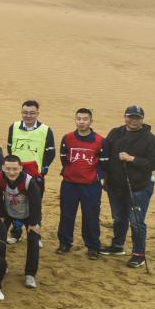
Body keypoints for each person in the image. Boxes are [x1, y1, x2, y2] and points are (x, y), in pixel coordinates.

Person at [102, 105, 155, 268]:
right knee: (118, 218)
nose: (133, 120)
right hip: (115, 186)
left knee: (136, 221)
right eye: (130, 117)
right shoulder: (115, 133)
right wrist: (104, 178)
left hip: (138, 187)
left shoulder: (151, 139)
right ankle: (117, 246)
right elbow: (105, 154)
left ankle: (138, 254)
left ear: (142, 119)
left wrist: (132, 159)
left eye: (137, 117)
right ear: (125, 117)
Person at [58, 108, 109, 258]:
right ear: (75, 120)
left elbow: (104, 163)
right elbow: (63, 158)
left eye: (85, 119)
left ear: (91, 121)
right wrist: (71, 172)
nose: (81, 122)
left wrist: (95, 176)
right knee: (66, 215)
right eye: (79, 119)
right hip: (69, 184)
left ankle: (93, 246)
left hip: (91, 186)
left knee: (91, 216)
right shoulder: (67, 138)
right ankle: (65, 243)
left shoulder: (100, 141)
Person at [0, 155, 43, 288]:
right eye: (8, 169)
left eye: (15, 169)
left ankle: (30, 274)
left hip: (28, 215)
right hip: (7, 213)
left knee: (34, 241)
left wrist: (34, 223)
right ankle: (2, 265)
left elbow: (36, 203)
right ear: (3, 167)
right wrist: (0, 214)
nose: (11, 172)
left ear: (20, 168)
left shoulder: (28, 181)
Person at [7, 100, 56, 180]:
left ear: (37, 113)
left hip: (35, 174)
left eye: (32, 113)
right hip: (15, 172)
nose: (28, 116)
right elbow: (10, 147)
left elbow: (51, 153)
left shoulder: (46, 130)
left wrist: (42, 169)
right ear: (21, 113)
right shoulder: (13, 127)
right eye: (25, 113)